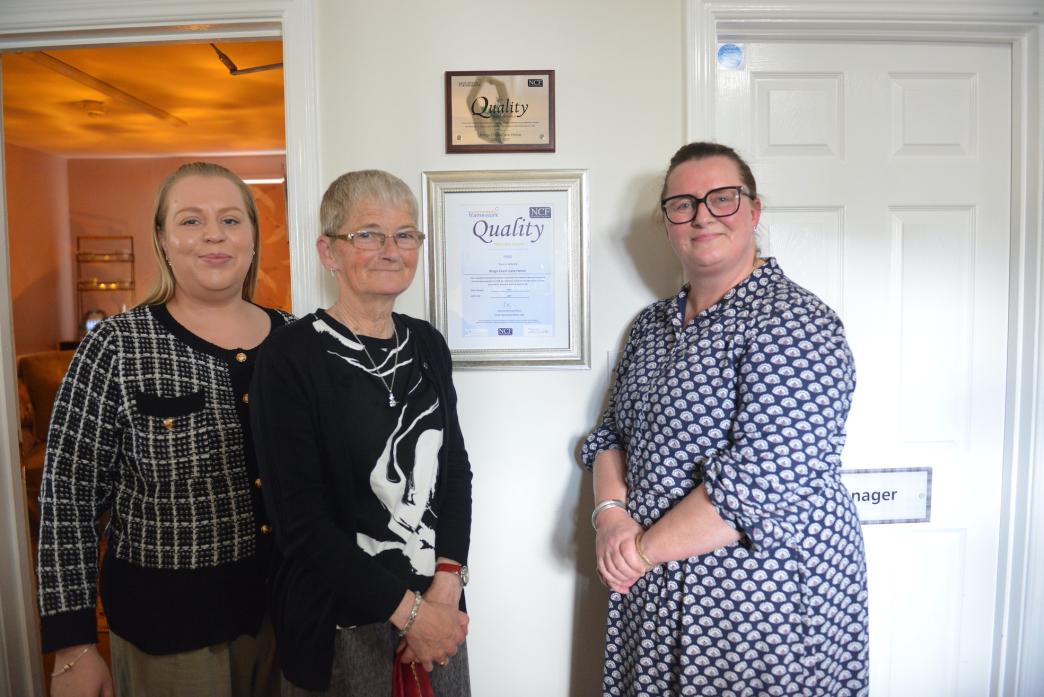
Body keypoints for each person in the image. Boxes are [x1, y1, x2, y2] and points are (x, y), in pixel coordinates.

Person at [583, 142, 869, 696]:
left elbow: (764, 479)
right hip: (648, 582)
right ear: (666, 222)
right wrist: (611, 517)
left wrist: (638, 552)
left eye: (723, 199)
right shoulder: (650, 327)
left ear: (754, 211)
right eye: (683, 204)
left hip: (759, 599)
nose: (703, 216)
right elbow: (609, 436)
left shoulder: (797, 323)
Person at [37, 162, 292, 697]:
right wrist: (73, 647)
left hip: (289, 625)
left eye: (230, 219)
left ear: (252, 236)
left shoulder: (297, 342)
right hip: (169, 635)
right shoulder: (115, 347)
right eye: (191, 220)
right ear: (162, 238)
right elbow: (68, 501)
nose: (214, 235)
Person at [250, 170, 472, 695]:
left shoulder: (427, 343)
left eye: (405, 234)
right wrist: (410, 613)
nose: (390, 249)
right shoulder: (289, 356)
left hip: (438, 611)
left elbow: (454, 469)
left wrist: (447, 584)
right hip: (340, 622)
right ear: (329, 252)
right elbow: (300, 523)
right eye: (368, 234)